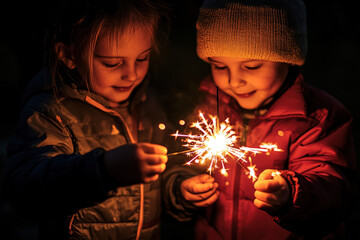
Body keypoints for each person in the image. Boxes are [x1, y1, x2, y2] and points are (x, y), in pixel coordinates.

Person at [162, 0, 358, 239]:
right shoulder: (205, 106)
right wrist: (181, 188)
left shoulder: (317, 118)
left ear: (287, 58)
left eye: (252, 66)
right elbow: (181, 161)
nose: (234, 81)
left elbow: (333, 193)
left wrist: (290, 194)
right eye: (220, 66)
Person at [2, 0, 171, 239]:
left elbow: (171, 167)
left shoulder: (146, 104)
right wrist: (104, 171)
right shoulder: (52, 113)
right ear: (69, 55)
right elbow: (26, 191)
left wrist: (180, 188)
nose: (132, 74)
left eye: (142, 58)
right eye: (112, 63)